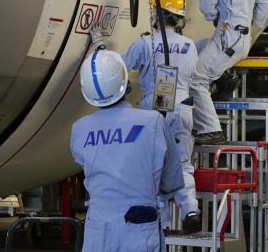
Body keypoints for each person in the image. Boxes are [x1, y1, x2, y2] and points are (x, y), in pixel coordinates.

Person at [70, 48, 185, 251]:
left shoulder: (79, 129)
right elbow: (172, 182)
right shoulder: (153, 122)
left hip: (97, 229)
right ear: (125, 82)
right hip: (138, 227)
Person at [123, 0, 201, 234]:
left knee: (152, 166)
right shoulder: (190, 46)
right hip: (183, 110)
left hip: (154, 114)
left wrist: (101, 49)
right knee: (183, 164)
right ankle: (191, 210)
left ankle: (162, 222)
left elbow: (121, 67)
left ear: (159, 13)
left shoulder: (147, 43)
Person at [190, 0, 268, 144]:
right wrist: (252, 24)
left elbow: (207, 5)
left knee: (196, 79)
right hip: (241, 39)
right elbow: (264, 8)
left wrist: (215, 17)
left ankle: (211, 130)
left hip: (226, 39)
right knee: (193, 49)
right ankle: (224, 77)